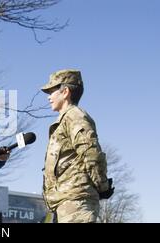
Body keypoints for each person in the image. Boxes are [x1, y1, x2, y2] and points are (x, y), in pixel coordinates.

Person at [40, 69, 114, 223]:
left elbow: (90, 153)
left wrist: (103, 186)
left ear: (65, 91)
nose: (49, 97)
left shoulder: (75, 116)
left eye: (52, 91)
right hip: (66, 202)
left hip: (76, 203)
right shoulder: (65, 119)